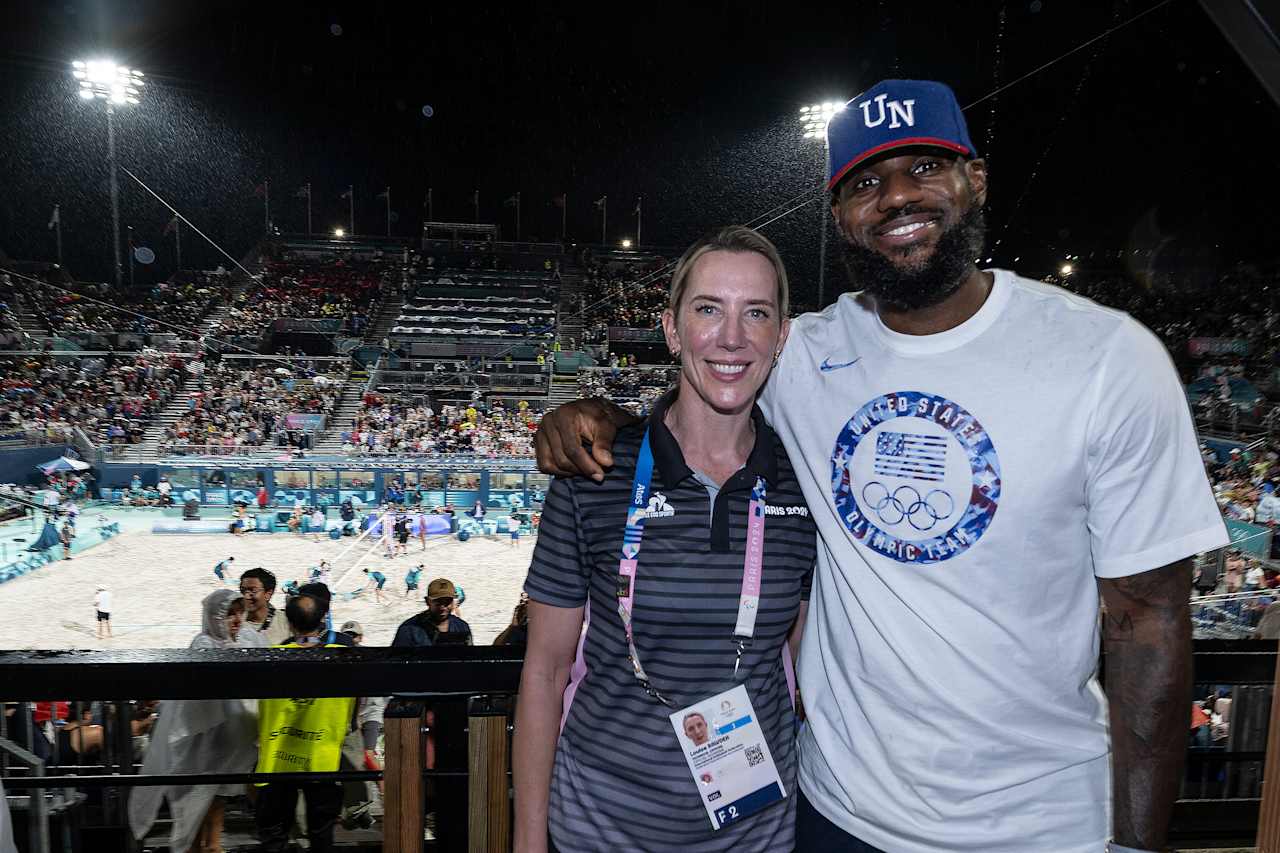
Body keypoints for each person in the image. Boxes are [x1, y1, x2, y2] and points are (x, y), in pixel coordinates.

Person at [531, 79, 1228, 853]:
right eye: (865, 182)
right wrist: (599, 420)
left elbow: (1149, 620)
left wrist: (1136, 845)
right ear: (840, 217)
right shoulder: (806, 353)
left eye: (926, 166)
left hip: (1044, 823)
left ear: (977, 180)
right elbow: (712, 379)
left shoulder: (1108, 359)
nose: (897, 196)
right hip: (838, 813)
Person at [515, 226, 815, 853]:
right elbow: (544, 673)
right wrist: (527, 840)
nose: (731, 337)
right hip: (599, 829)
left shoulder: (809, 479)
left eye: (755, 313)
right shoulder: (593, 471)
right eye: (709, 309)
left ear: (781, 335)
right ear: (673, 329)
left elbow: (811, 659)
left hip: (754, 835)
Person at [129, 589, 261, 853]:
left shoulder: (249, 639)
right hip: (203, 741)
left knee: (219, 796)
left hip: (232, 741)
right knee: (197, 797)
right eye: (229, 613)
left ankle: (212, 845)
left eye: (239, 612)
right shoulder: (203, 644)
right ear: (214, 616)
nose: (236, 619)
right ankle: (195, 846)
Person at [254, 589, 355, 853]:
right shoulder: (345, 656)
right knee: (322, 834)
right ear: (323, 619)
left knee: (275, 835)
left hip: (278, 759)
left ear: (289, 622)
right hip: (322, 757)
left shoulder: (271, 657)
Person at [391, 578, 472, 646]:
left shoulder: (462, 627)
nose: (443, 607)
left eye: (447, 602)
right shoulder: (409, 630)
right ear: (427, 601)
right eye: (438, 602)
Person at [239, 567, 291, 646]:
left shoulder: (286, 622)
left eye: (253, 590)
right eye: (242, 590)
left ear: (268, 594)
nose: (246, 596)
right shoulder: (234, 623)